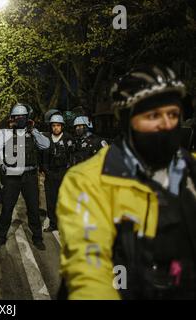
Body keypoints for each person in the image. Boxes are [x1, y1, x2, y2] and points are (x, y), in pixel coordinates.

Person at [57, 65, 196, 300]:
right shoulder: (88, 181)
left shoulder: (190, 169)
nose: (166, 124)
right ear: (127, 121)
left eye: (172, 114)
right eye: (153, 115)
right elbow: (88, 268)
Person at [0, 104, 50, 251]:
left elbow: (46, 145)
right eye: (16, 117)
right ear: (12, 118)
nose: (20, 119)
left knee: (33, 208)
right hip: (12, 177)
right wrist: (8, 131)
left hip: (30, 176)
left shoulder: (32, 132)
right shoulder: (6, 133)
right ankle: (0, 237)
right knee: (7, 208)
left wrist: (33, 130)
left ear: (27, 118)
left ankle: (37, 237)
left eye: (23, 117)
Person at [41, 114, 74, 232]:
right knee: (51, 201)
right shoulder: (46, 138)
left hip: (63, 173)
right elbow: (43, 157)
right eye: (54, 125)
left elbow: (72, 157)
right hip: (50, 173)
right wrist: (45, 170)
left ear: (62, 126)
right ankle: (53, 224)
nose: (56, 128)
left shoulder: (68, 138)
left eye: (58, 125)